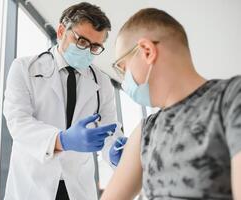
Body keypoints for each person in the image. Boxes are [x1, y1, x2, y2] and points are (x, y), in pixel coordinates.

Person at [101, 8, 241, 200]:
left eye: (123, 68)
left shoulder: (232, 98)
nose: (124, 82)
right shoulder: (146, 130)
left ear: (147, 51)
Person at [3, 2, 127, 200]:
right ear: (61, 31)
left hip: (77, 187)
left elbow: (108, 130)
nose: (87, 51)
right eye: (82, 42)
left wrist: (115, 150)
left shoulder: (102, 82)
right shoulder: (25, 68)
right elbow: (18, 123)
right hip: (33, 184)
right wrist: (62, 140)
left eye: (95, 47)